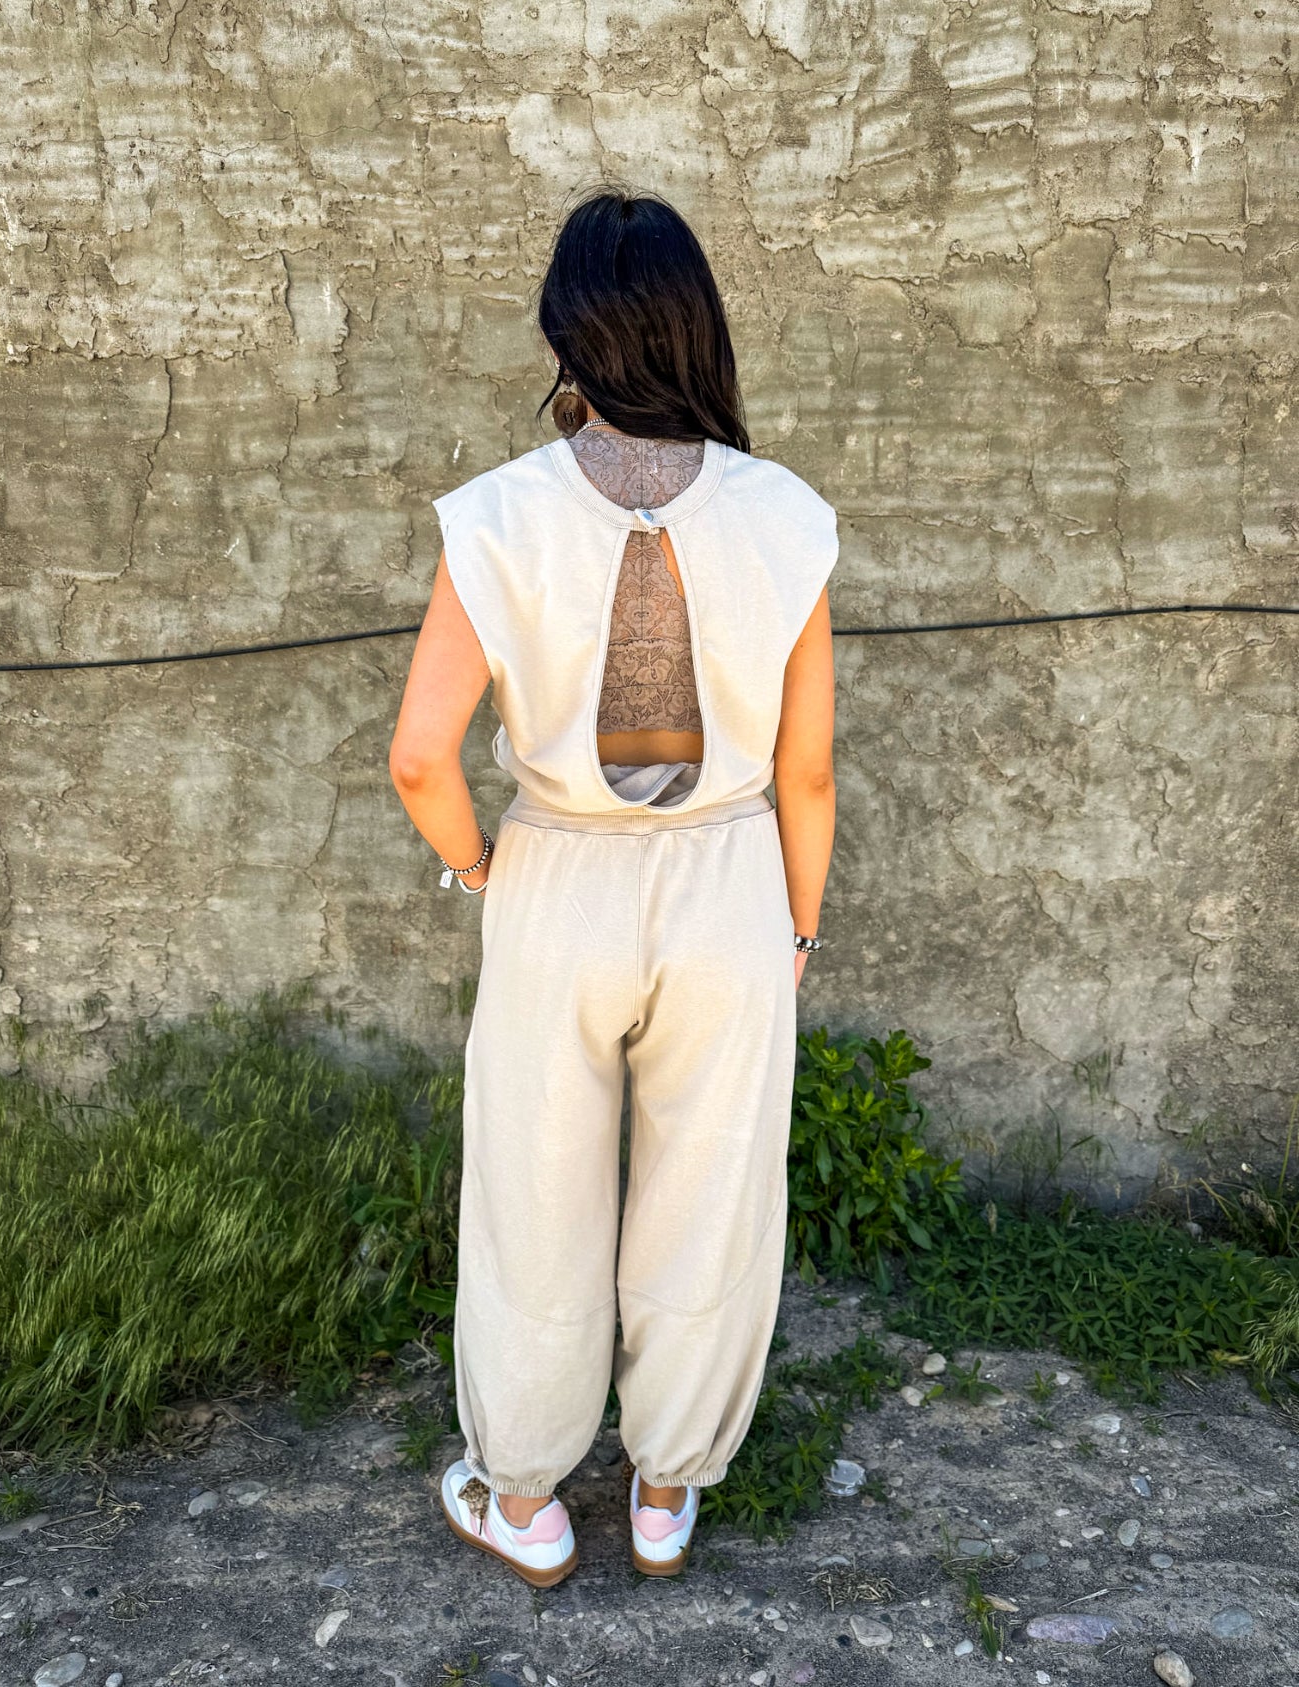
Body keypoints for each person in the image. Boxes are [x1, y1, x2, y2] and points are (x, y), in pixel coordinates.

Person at [389, 185, 838, 1587]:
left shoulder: (499, 516)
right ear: (698, 329)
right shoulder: (786, 517)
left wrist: (480, 869)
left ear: (566, 340)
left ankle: (524, 1499)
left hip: (557, 878)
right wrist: (797, 926)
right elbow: (810, 772)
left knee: (535, 1193)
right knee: (713, 1190)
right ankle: (663, 1487)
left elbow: (419, 757)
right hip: (730, 881)